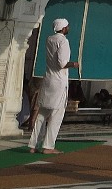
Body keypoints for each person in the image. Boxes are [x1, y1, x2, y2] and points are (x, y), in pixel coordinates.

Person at [28, 18, 80, 155]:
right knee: (56, 115)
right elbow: (62, 63)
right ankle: (48, 146)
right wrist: (73, 64)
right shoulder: (63, 41)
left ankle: (33, 145)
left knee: (42, 114)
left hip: (48, 80)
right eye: (67, 27)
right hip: (58, 82)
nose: (68, 28)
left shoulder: (49, 39)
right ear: (63, 29)